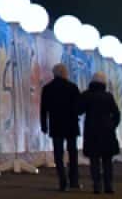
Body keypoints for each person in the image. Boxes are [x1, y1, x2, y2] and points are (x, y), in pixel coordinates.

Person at [40, 63, 82, 191]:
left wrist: (44, 125)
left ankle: (62, 181)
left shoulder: (47, 88)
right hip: (71, 124)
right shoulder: (73, 87)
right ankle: (74, 181)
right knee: (73, 153)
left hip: (56, 124)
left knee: (58, 154)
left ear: (54, 74)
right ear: (65, 73)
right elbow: (79, 107)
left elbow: (43, 109)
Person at [78, 72, 120, 194]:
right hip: (107, 132)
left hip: (92, 131)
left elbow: (79, 110)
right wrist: (112, 125)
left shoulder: (87, 95)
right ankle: (108, 185)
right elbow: (117, 114)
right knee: (107, 160)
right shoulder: (108, 96)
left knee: (94, 159)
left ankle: (97, 185)